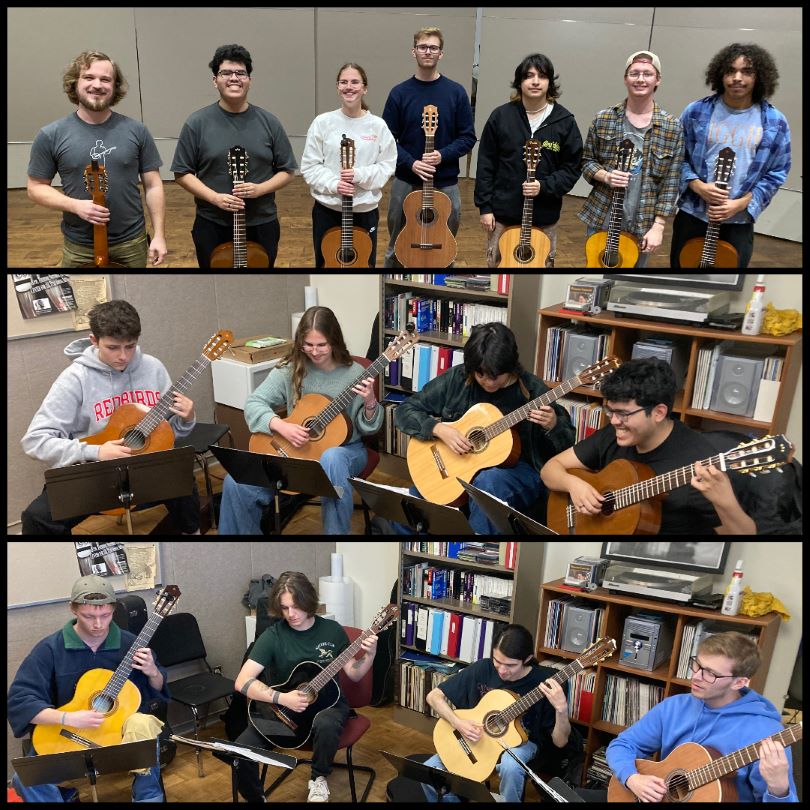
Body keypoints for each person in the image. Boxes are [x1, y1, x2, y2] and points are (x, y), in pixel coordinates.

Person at [20, 299, 200, 535]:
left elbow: (164, 436)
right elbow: (35, 441)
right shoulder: (74, 378)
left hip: (143, 468)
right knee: (36, 518)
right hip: (94, 473)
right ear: (94, 340)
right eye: (113, 347)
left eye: (130, 346)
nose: (123, 356)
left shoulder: (153, 368)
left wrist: (186, 420)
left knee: (184, 480)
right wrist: (96, 451)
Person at [394, 322, 575, 534]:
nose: (487, 382)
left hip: (520, 470)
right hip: (459, 465)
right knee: (407, 507)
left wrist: (553, 425)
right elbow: (405, 410)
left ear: (509, 367)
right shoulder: (458, 378)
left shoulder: (533, 391)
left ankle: (473, 550)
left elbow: (568, 448)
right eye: (480, 375)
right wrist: (438, 429)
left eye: (495, 376)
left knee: (487, 483)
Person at [217, 306, 383, 535]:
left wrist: (371, 402)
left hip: (346, 451)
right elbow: (254, 403)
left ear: (334, 340)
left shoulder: (355, 373)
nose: (314, 352)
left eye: (321, 345)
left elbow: (368, 428)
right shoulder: (291, 367)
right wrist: (281, 426)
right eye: (308, 344)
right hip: (296, 453)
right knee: (235, 482)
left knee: (332, 458)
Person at [540, 358, 755, 534]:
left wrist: (726, 501)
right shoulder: (613, 434)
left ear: (659, 413)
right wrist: (573, 485)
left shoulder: (698, 462)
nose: (614, 421)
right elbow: (550, 470)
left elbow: (744, 535)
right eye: (610, 411)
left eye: (623, 414)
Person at [577, 632, 798, 802]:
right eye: (698, 665)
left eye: (711, 673)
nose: (697, 677)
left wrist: (778, 788)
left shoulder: (767, 735)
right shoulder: (676, 706)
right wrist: (632, 778)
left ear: (739, 682)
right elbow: (623, 744)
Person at [7, 575, 169, 802]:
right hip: (67, 735)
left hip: (116, 734)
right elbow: (20, 700)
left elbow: (157, 691)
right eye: (88, 616)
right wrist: (68, 718)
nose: (98, 624)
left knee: (144, 726)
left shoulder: (130, 643)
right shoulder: (50, 649)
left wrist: (153, 672)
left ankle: (147, 797)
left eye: (105, 615)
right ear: (73, 609)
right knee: (23, 779)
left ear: (113, 609)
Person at [233, 571, 378, 803]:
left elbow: (353, 672)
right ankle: (256, 797)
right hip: (287, 711)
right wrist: (282, 699)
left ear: (308, 601)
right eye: (284, 608)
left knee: (326, 722)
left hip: (329, 704)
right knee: (240, 751)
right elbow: (242, 681)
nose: (291, 614)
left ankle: (319, 779)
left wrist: (370, 656)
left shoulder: (331, 630)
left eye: (296, 606)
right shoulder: (273, 636)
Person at [27, 50, 167, 267]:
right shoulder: (51, 135)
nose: (97, 85)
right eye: (89, 77)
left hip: (131, 242)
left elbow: (153, 185)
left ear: (115, 86)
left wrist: (159, 235)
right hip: (79, 246)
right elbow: (35, 187)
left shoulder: (137, 131)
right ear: (75, 83)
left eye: (105, 79)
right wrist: (75, 205)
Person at [172, 44, 297, 268]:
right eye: (226, 73)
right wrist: (214, 197)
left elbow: (288, 171)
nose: (234, 78)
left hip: (262, 222)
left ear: (249, 80)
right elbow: (182, 172)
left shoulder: (269, 122)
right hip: (212, 222)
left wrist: (260, 189)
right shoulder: (197, 123)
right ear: (215, 80)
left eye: (241, 73)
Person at [670, 43, 791, 268]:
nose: (737, 77)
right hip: (693, 214)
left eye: (746, 72)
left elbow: (777, 172)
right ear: (719, 75)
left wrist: (742, 203)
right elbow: (676, 157)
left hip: (739, 219)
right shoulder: (695, 112)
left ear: (759, 77)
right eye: (730, 71)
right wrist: (697, 186)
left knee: (725, 282)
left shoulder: (775, 121)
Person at [423, 624, 575, 802]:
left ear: (527, 659)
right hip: (477, 738)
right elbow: (434, 697)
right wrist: (458, 723)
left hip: (523, 743)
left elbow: (560, 741)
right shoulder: (483, 668)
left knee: (510, 766)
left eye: (510, 665)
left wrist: (562, 710)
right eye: (498, 661)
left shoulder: (546, 682)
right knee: (429, 771)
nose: (502, 670)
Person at [475, 53, 583, 268]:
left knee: (541, 267)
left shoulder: (565, 122)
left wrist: (544, 186)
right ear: (519, 82)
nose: (535, 81)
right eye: (529, 76)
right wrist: (485, 208)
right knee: (499, 266)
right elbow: (486, 164)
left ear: (550, 82)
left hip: (544, 217)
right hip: (503, 215)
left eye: (542, 76)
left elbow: (572, 167)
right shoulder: (501, 117)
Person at [382, 26, 477, 268]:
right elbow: (387, 139)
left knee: (444, 244)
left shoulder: (456, 93)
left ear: (441, 54)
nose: (428, 51)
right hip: (406, 179)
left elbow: (468, 137)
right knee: (396, 245)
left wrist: (442, 155)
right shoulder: (399, 93)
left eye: (433, 47)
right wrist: (412, 163)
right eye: (423, 47)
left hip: (445, 181)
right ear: (414, 51)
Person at [578, 50, 683, 267]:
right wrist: (606, 176)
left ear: (658, 80)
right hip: (602, 215)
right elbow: (586, 161)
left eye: (647, 74)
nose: (641, 79)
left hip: (642, 220)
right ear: (626, 78)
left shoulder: (672, 127)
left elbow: (671, 182)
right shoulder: (604, 118)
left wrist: (659, 226)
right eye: (634, 73)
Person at [300, 63, 397, 267]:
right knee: (327, 263)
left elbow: (387, 166)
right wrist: (335, 184)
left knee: (363, 263)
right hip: (328, 210)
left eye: (355, 82)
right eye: (343, 82)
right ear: (337, 87)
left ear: (365, 88)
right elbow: (310, 166)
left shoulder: (378, 126)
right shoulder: (323, 122)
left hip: (364, 211)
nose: (349, 87)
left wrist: (358, 175)